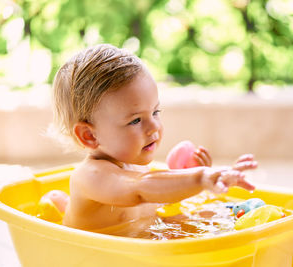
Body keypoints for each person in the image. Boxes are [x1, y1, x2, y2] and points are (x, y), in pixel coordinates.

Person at [52, 44, 257, 237]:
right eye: (135, 120)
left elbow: (160, 200)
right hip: (96, 257)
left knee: (214, 216)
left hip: (139, 239)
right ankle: (57, 204)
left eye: (155, 111)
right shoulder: (90, 177)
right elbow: (142, 188)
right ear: (89, 135)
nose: (154, 127)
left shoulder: (135, 165)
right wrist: (200, 177)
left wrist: (197, 179)